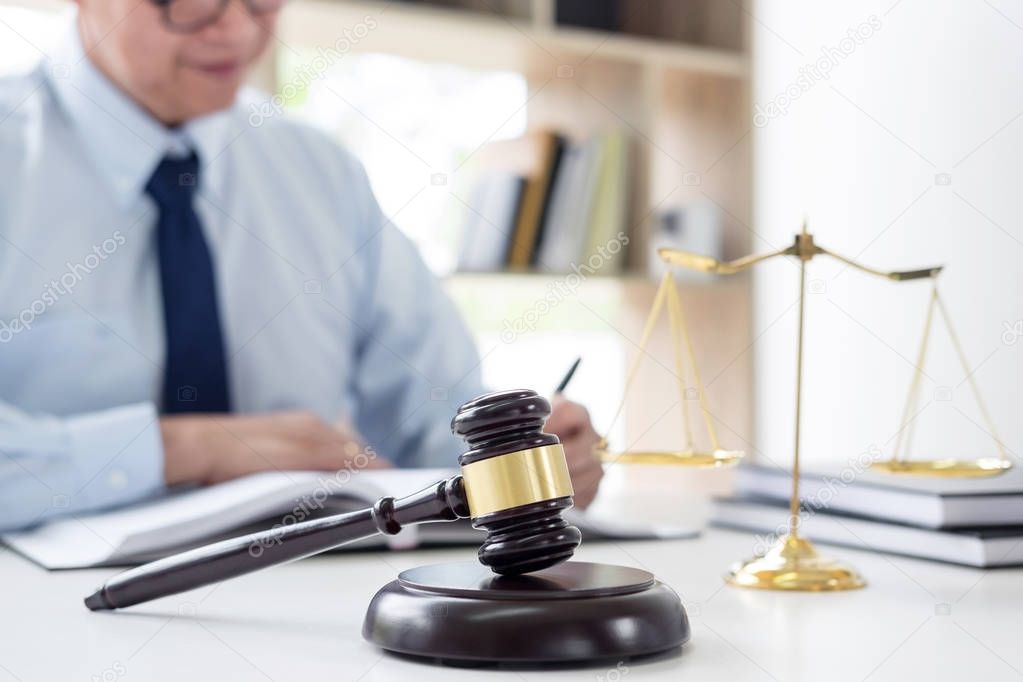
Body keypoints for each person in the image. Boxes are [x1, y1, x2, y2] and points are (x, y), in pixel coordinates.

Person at [0, 0, 604, 532]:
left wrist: (516, 458)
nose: (236, 27)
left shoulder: (321, 174)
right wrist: (178, 450)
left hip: (313, 616)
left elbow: (432, 424)